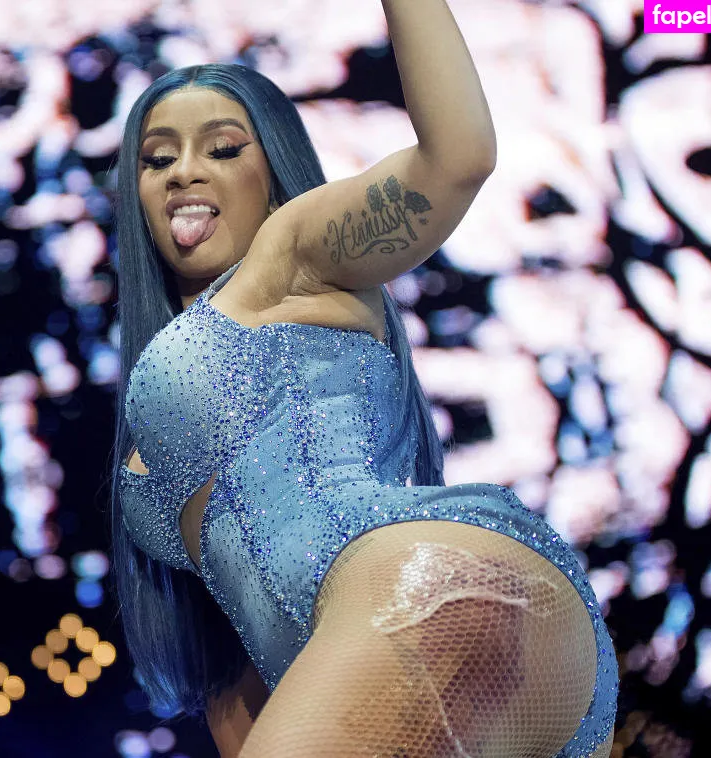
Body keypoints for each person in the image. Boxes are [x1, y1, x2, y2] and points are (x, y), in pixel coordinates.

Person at [107, 2, 618, 756]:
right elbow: (243, 667)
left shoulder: (291, 253)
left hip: (428, 592)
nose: (184, 170)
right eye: (157, 159)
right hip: (423, 646)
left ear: (274, 175)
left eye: (222, 148)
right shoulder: (151, 414)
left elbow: (457, 159)